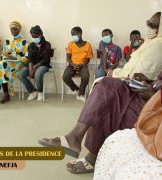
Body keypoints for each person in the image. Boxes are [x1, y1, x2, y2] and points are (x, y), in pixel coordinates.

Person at [38, 11, 162, 174]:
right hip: (143, 88)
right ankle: (77, 141)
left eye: (153, 25)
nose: (149, 27)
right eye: (148, 23)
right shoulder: (148, 43)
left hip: (153, 103)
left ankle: (81, 146)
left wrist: (155, 92)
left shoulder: (156, 45)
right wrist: (150, 83)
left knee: (105, 94)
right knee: (104, 88)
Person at [0, 21, 28, 104]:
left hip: (18, 64)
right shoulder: (7, 41)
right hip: (7, 63)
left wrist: (15, 57)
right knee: (1, 65)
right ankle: (5, 94)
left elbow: (27, 58)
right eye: (12, 29)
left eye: (15, 29)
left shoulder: (24, 42)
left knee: (1, 66)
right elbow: (3, 55)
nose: (13, 31)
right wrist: (6, 57)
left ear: (19, 30)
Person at [18, 25, 51, 101]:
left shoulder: (47, 44)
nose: (34, 38)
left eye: (36, 36)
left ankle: (40, 93)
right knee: (20, 74)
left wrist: (35, 67)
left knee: (38, 74)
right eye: (32, 37)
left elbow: (45, 59)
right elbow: (30, 58)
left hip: (43, 65)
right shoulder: (32, 45)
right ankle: (33, 92)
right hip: (32, 65)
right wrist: (30, 68)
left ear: (41, 35)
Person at [62, 26, 93, 102]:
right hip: (71, 65)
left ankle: (80, 95)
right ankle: (77, 89)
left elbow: (88, 59)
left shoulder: (88, 45)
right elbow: (68, 57)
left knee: (86, 76)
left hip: (82, 65)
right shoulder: (71, 44)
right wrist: (73, 65)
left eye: (74, 35)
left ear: (80, 34)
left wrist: (81, 64)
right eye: (72, 35)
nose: (73, 37)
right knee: (65, 77)